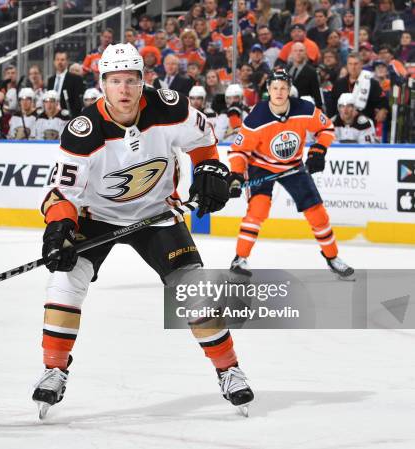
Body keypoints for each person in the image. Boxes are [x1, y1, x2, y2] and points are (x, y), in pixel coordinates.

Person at [32, 42, 253, 419]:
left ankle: (228, 369)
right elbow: (60, 194)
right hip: (95, 215)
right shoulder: (83, 131)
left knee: (194, 289)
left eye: (131, 80)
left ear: (143, 81)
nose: (124, 89)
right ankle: (54, 369)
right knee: (65, 284)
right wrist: (59, 230)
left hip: (156, 213)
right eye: (115, 81)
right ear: (103, 84)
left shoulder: (171, 107)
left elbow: (203, 143)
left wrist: (207, 169)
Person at [226, 69, 354, 279]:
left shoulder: (304, 109)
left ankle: (332, 258)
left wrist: (318, 150)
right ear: (268, 90)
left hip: (293, 166)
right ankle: (239, 258)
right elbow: (238, 150)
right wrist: (237, 174)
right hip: (261, 165)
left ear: (289, 90)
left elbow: (327, 129)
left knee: (317, 212)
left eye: (283, 88)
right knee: (258, 210)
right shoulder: (257, 117)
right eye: (275, 88)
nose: (279, 92)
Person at [286, 42, 323, 108]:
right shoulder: (286, 70)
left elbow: (317, 97)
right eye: (295, 50)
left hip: (304, 108)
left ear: (305, 53)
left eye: (301, 50)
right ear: (291, 53)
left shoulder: (312, 72)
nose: (298, 53)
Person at [48, 51, 85, 115]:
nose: (60, 62)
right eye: (57, 60)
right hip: (52, 116)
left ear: (67, 62)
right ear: (54, 62)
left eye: (62, 60)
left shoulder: (75, 79)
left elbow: (78, 102)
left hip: (68, 117)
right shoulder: (51, 80)